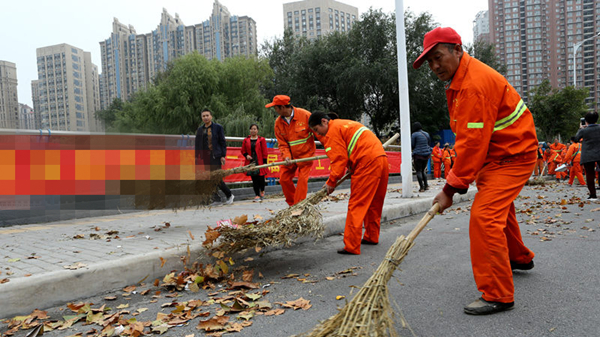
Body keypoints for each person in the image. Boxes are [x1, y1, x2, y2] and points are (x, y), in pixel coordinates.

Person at [414, 27, 538, 315]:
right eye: (429, 62)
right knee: (500, 210)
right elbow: (472, 141)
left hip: (512, 157)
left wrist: (449, 190)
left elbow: (471, 145)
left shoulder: (474, 85)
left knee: (484, 217)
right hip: (497, 155)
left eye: (438, 58)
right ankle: (518, 257)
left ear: (457, 49)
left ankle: (497, 293)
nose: (434, 67)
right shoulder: (462, 78)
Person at [308, 112, 388, 255]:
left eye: (316, 129)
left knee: (357, 204)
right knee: (374, 202)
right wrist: (351, 167)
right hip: (380, 158)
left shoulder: (332, 131)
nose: (316, 134)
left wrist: (331, 182)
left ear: (324, 122)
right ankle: (371, 236)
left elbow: (339, 159)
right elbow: (351, 149)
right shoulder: (344, 124)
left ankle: (351, 245)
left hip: (366, 162)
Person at [266, 95, 316, 206]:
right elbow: (282, 144)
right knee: (284, 179)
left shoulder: (305, 115)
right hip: (290, 157)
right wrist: (286, 156)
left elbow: (319, 133)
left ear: (283, 107)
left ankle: (299, 206)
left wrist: (329, 148)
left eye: (276, 108)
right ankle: (293, 205)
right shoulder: (278, 123)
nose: (275, 110)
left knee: (302, 181)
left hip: (306, 156)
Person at [195, 108, 234, 206]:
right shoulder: (200, 130)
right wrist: (197, 156)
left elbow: (222, 142)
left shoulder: (218, 127)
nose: (205, 117)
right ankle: (216, 199)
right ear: (201, 118)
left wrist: (222, 156)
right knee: (210, 178)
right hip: (205, 157)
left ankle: (228, 195)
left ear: (211, 116)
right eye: (203, 116)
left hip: (216, 155)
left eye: (207, 115)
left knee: (216, 177)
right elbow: (197, 143)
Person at [575, 111, 600, 200]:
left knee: (589, 174)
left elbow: (576, 139)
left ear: (586, 121)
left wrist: (580, 129)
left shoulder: (584, 131)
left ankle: (593, 195)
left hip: (588, 155)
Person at [241, 124, 268, 202]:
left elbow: (264, 151)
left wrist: (265, 162)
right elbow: (243, 150)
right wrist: (247, 156)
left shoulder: (261, 139)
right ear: (249, 130)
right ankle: (256, 194)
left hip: (259, 161)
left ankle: (262, 191)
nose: (253, 130)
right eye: (252, 129)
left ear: (257, 130)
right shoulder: (246, 140)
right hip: (251, 162)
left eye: (255, 129)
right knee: (254, 179)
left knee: (261, 178)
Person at [411, 122, 432, 192]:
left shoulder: (414, 135)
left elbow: (412, 145)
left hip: (418, 155)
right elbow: (428, 143)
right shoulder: (426, 134)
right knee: (423, 170)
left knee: (418, 171)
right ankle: (426, 185)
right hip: (426, 155)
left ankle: (421, 187)